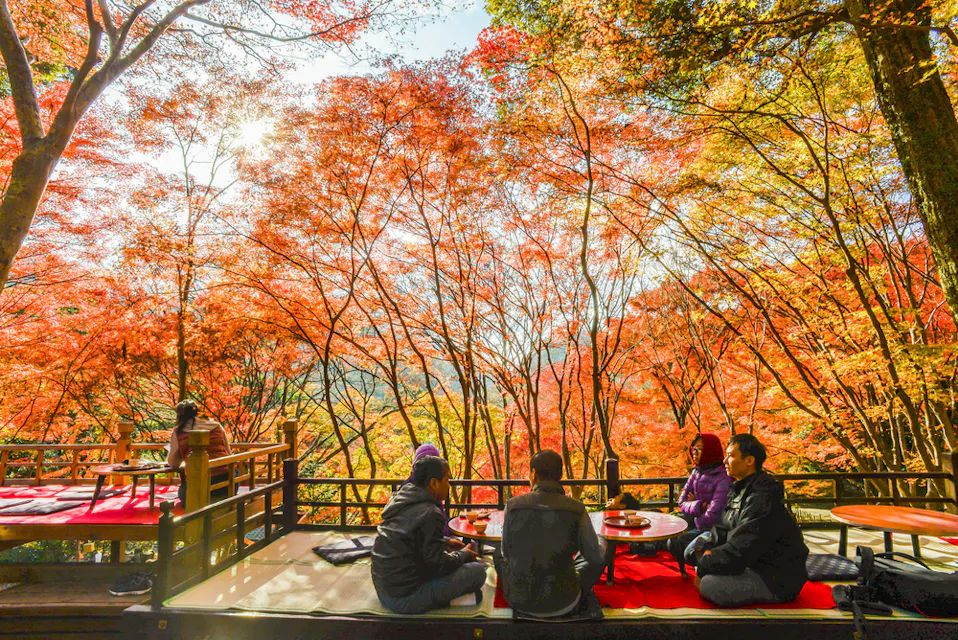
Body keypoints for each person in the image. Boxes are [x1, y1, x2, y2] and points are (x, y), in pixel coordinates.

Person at [685, 433, 809, 607]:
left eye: (731, 456)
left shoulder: (761, 497)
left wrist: (705, 564)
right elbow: (722, 529)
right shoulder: (739, 488)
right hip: (750, 560)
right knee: (693, 549)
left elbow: (742, 548)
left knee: (710, 585)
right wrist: (705, 550)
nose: (725, 461)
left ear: (749, 461)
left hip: (773, 576)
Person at [495, 449, 607, 618]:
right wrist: (601, 541)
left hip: (520, 598)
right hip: (563, 599)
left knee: (496, 552)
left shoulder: (513, 506)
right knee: (599, 549)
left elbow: (505, 553)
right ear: (560, 475)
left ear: (533, 474)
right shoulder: (576, 508)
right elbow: (595, 558)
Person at [372, 455, 486, 614]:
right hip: (405, 598)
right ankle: (453, 602)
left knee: (463, 565)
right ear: (433, 483)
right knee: (478, 571)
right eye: (446, 480)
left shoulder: (402, 498)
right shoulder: (431, 513)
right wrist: (464, 555)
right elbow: (437, 567)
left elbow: (410, 535)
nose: (448, 486)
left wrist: (445, 542)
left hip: (383, 590)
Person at [667, 433, 733, 575]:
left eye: (700, 449)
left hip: (715, 529)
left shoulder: (723, 477)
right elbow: (681, 502)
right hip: (698, 523)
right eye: (693, 449)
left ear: (710, 450)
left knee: (688, 549)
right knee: (672, 542)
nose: (695, 453)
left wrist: (694, 507)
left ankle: (706, 571)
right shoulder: (697, 472)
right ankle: (688, 571)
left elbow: (714, 515)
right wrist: (701, 506)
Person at [166, 400, 232, 504]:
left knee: (183, 493)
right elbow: (229, 453)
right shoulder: (216, 426)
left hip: (198, 485)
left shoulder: (178, 431)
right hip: (227, 483)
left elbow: (173, 462)